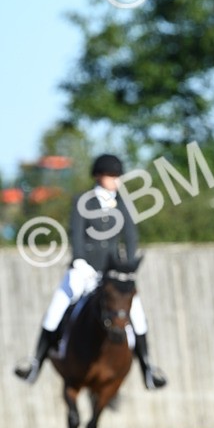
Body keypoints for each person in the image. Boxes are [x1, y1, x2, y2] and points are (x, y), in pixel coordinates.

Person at [14, 154, 167, 389]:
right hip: (84, 269)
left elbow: (131, 235)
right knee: (56, 309)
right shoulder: (83, 201)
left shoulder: (122, 202)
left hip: (112, 273)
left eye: (118, 176)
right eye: (111, 176)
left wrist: (128, 265)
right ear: (98, 176)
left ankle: (148, 368)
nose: (116, 180)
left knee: (136, 314)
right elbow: (76, 233)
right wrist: (79, 261)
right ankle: (35, 363)